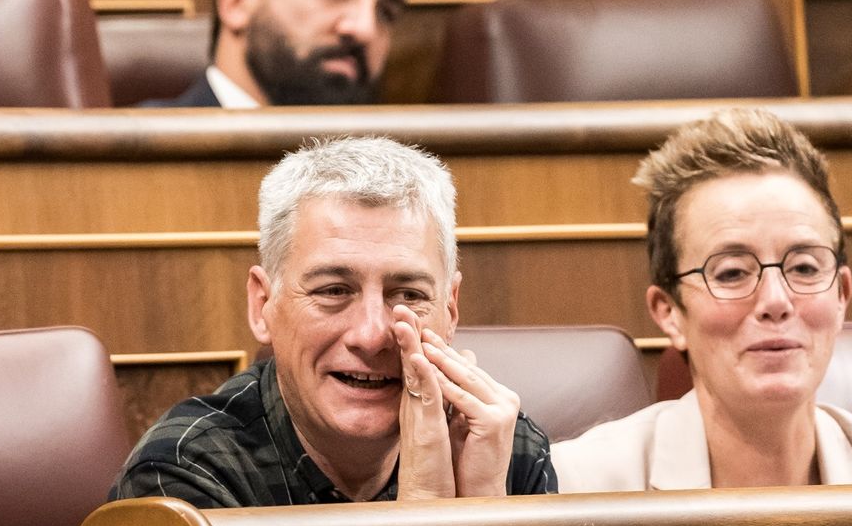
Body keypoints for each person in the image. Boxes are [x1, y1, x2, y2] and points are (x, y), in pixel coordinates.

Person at [114, 136, 556, 505]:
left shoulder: (502, 450)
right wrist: (427, 509)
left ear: (451, 311)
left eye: (408, 295)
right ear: (263, 305)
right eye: (332, 291)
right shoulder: (183, 476)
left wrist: (488, 509)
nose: (371, 335)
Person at [551, 108, 852, 491]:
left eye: (803, 268)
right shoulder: (575, 488)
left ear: (841, 296)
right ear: (669, 313)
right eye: (732, 272)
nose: (776, 300)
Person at [144, 0, 406, 107]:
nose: (365, 28)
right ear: (238, 2)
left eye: (386, 11)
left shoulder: (399, 179)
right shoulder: (132, 164)